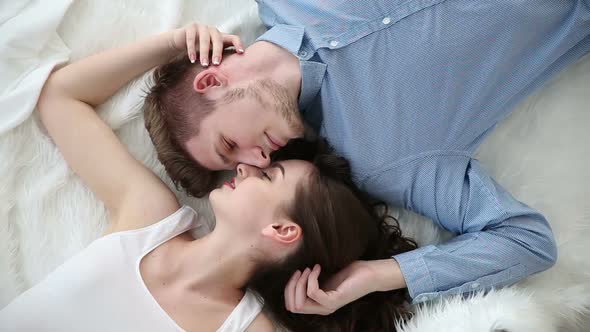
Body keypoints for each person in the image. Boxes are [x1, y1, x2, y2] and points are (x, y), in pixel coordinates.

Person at [143, 0, 590, 314]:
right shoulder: (382, 159)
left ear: (210, 83)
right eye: (238, 162)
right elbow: (527, 241)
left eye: (228, 145)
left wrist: (174, 43)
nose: (255, 159)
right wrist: (380, 275)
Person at [0, 26, 416, 332]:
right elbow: (60, 97)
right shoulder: (150, 220)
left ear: (283, 229)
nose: (245, 166)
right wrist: (174, 44)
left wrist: (379, 276)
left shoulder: (245, 328)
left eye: (269, 175)